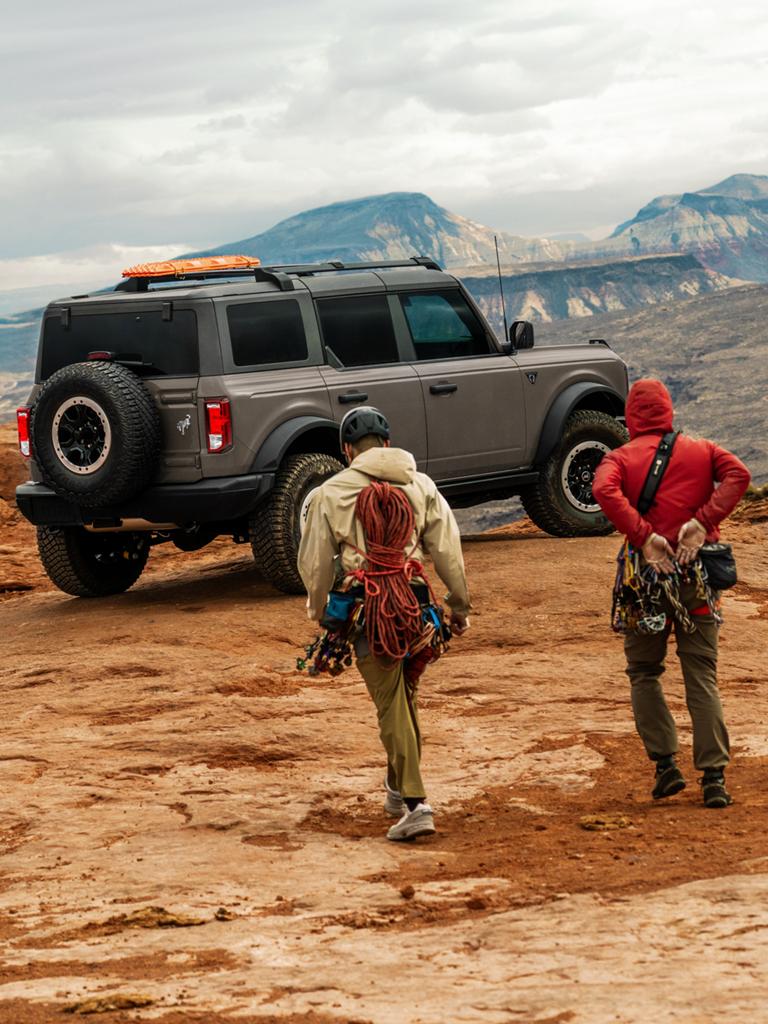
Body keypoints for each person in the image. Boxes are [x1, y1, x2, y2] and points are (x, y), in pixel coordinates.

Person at [297, 406, 471, 841]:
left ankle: (416, 804)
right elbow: (448, 551)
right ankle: (397, 788)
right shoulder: (422, 485)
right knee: (403, 695)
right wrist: (459, 607)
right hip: (415, 607)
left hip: (368, 608)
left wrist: (320, 612)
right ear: (388, 443)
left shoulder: (330, 493)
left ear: (347, 449)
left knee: (391, 702)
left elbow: (315, 562)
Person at [592, 379, 750, 808]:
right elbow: (740, 474)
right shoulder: (702, 451)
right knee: (701, 674)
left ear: (630, 418)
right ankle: (714, 778)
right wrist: (701, 522)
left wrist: (643, 536)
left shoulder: (620, 458)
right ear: (669, 411)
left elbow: (602, 490)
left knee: (645, 672)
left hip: (644, 582)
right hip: (696, 578)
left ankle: (666, 768)